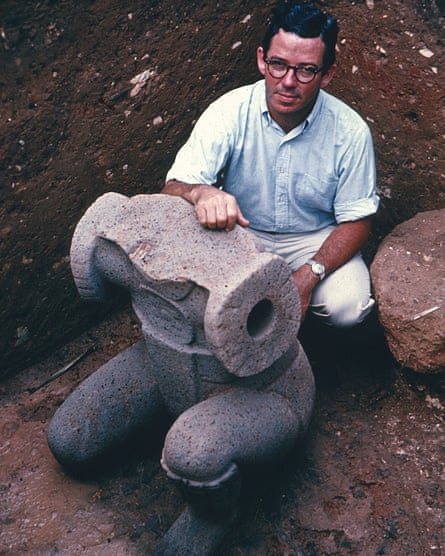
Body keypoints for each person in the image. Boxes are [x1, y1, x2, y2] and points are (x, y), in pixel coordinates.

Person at [162, 1, 379, 328]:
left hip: (314, 238)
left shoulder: (350, 131)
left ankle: (314, 346)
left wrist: (308, 277)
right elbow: (169, 192)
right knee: (191, 287)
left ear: (327, 74)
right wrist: (201, 193)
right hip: (240, 234)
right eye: (278, 64)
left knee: (347, 307)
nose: (288, 81)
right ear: (262, 59)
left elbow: (358, 221)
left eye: (305, 69)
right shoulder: (228, 112)